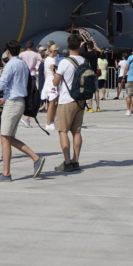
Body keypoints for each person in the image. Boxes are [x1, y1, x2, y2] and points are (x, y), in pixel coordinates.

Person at [0, 40, 45, 182]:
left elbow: (1, 84)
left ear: (8, 51)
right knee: (9, 137)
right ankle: (35, 158)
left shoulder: (10, 65)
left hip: (12, 102)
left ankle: (6, 173)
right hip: (20, 101)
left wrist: (0, 77)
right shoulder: (22, 64)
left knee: (5, 137)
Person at [53, 34, 88, 172]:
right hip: (81, 100)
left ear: (67, 46)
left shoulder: (65, 62)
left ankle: (67, 163)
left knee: (63, 131)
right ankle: (75, 161)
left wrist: (55, 75)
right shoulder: (85, 61)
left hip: (67, 100)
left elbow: (55, 82)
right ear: (80, 45)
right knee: (77, 131)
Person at [42, 44, 60, 129]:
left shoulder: (47, 59)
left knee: (55, 102)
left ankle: (52, 121)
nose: (58, 53)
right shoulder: (51, 60)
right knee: (52, 103)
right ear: (54, 51)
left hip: (50, 81)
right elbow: (54, 72)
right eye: (57, 51)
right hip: (52, 82)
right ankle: (48, 123)